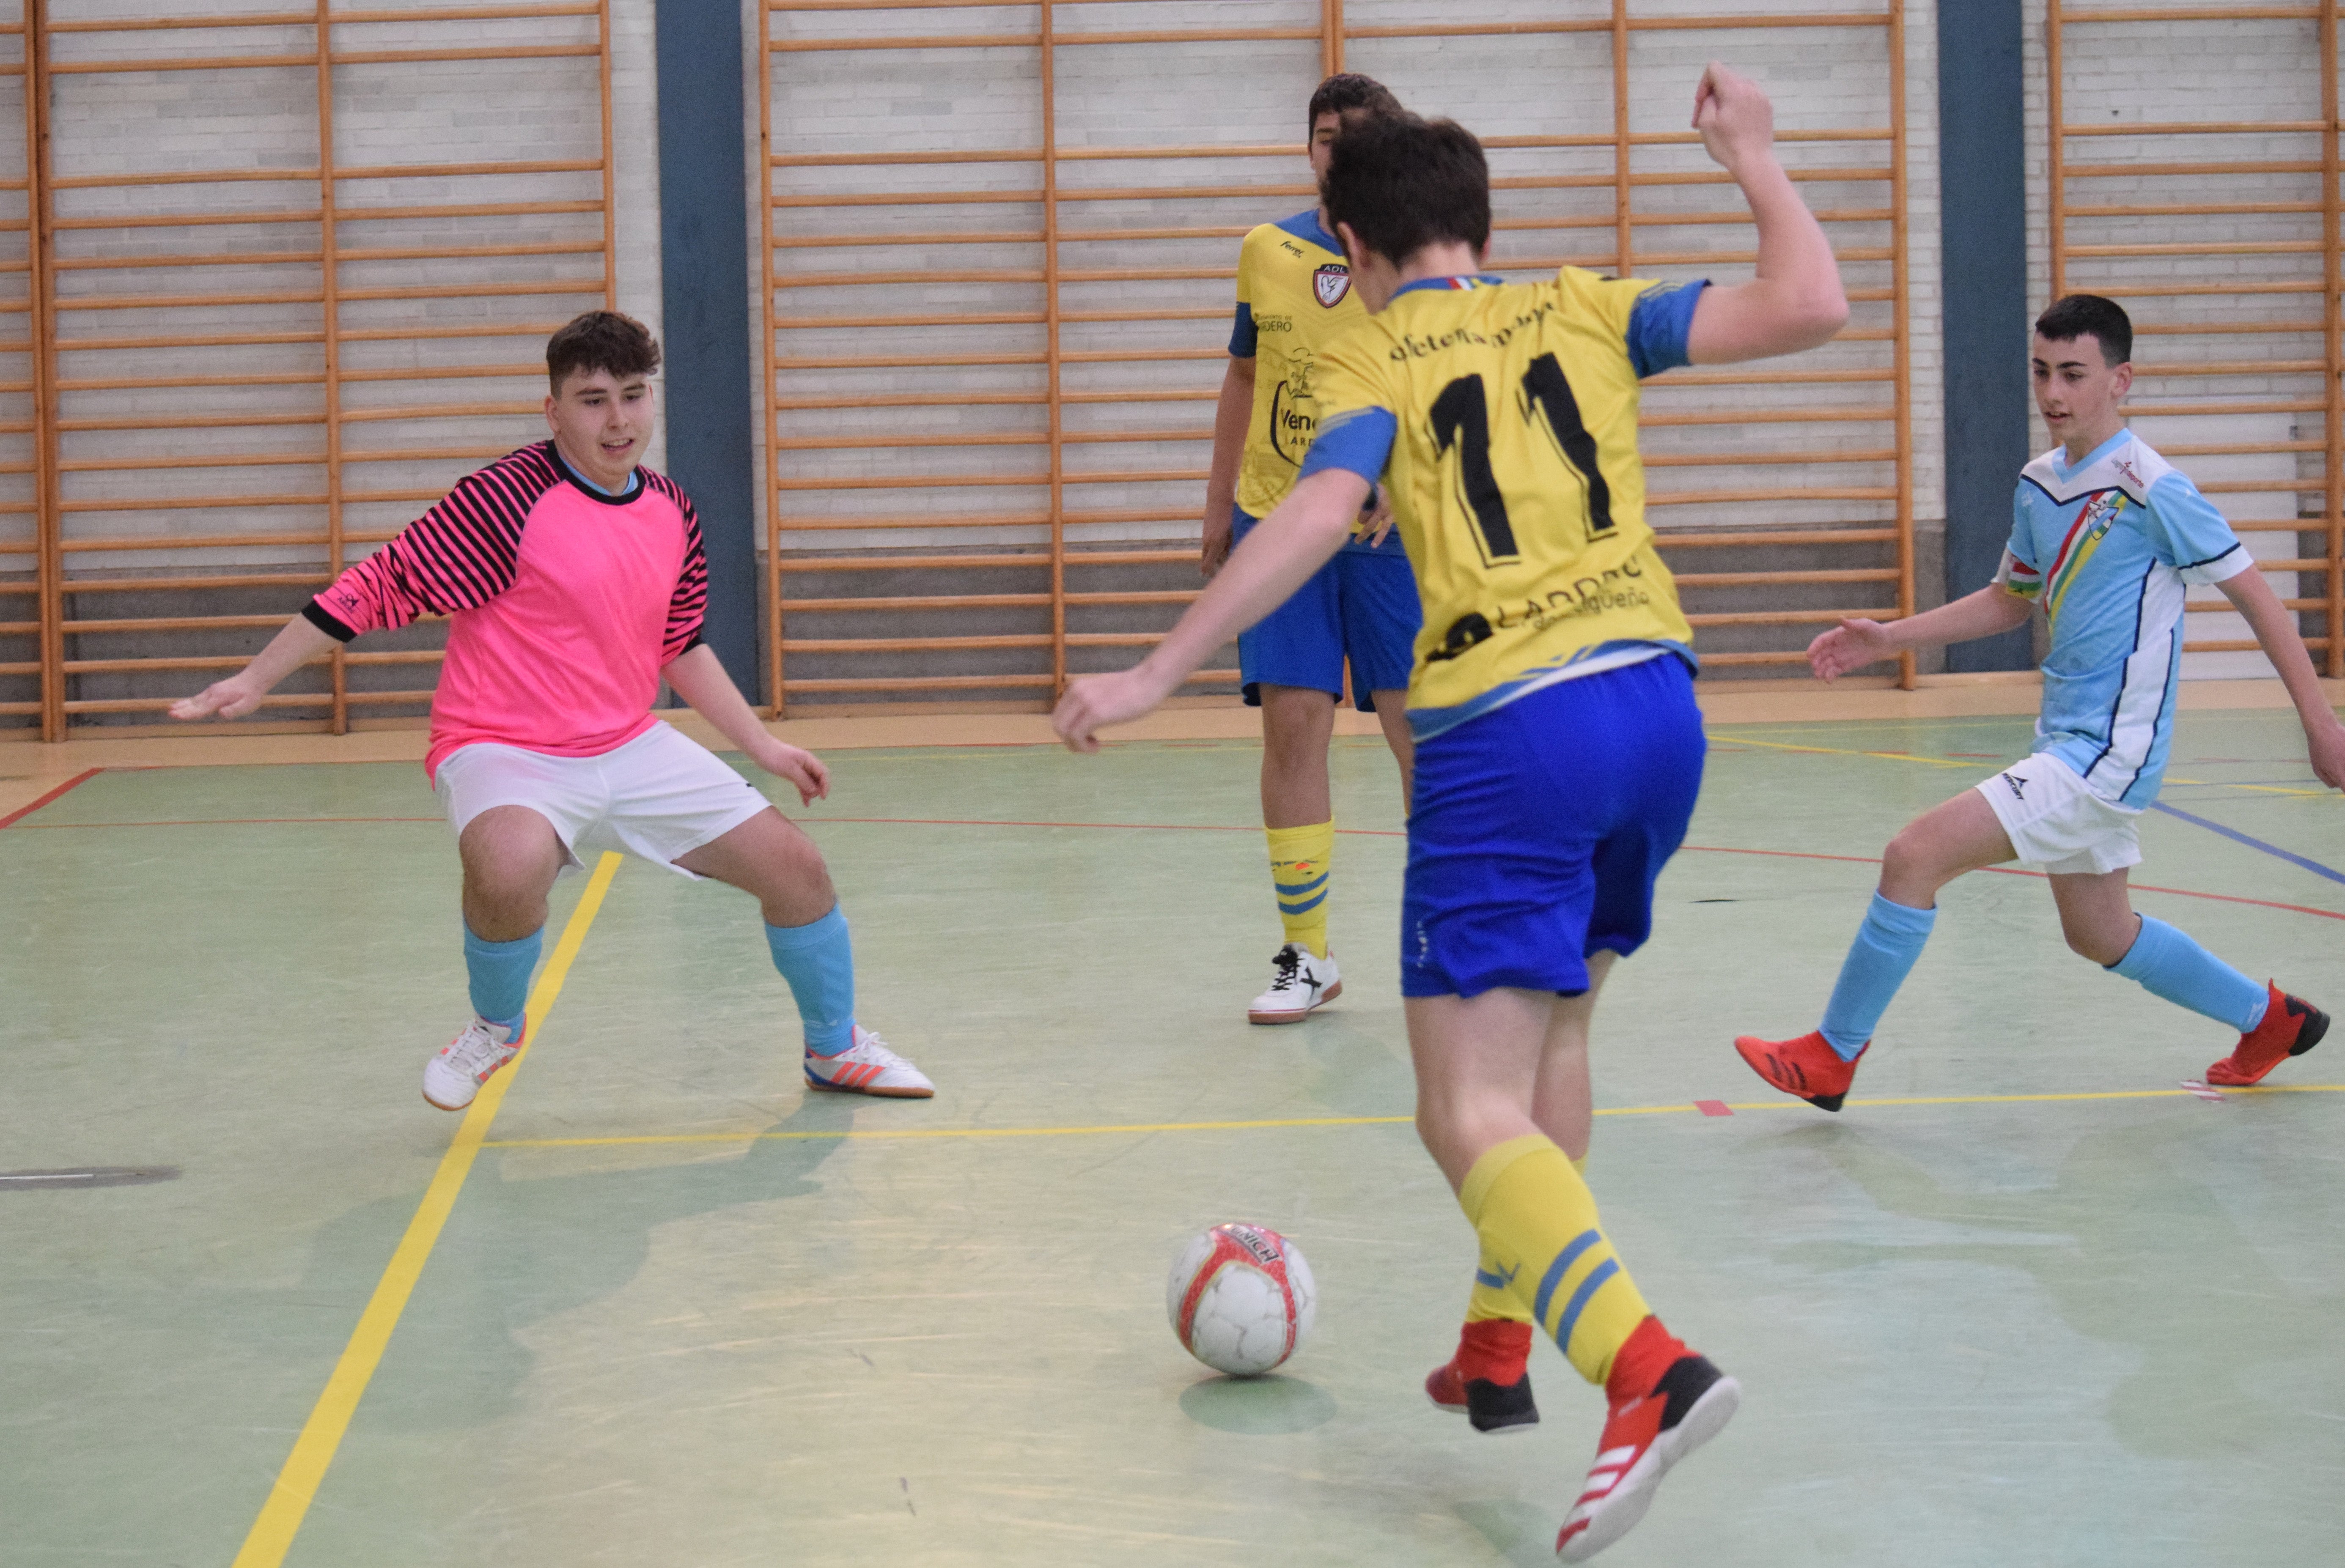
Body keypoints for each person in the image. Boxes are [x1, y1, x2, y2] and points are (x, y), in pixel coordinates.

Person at [1054, 68, 1847, 1561]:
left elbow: (1302, 515)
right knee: (1553, 1036)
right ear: (1481, 225)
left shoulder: (1372, 358)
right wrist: (1752, 154)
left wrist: (1161, 662)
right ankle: (1499, 1334)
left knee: (1457, 1102)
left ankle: (1643, 1369)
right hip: (1659, 709)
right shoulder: (1591, 305)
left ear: (1349, 245)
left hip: (1509, 730)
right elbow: (1811, 302)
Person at [170, 311, 933, 1109]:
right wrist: (257, 678)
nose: (618, 421)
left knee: (799, 871)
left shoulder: (672, 510)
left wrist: (763, 746)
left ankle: (835, 1050)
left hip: (628, 742)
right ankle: (496, 1027)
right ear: (554, 410)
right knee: (507, 868)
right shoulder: (506, 499)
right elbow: (379, 583)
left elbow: (678, 645)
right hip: (502, 744)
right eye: (594, 400)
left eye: (633, 398)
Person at [1736, 294, 2343, 1110]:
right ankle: (2270, 1021)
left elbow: (2259, 600)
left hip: (2106, 754)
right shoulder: (2039, 483)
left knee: (1914, 855)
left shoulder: (2153, 488)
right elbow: (2011, 599)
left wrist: (2321, 724)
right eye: (2041, 372)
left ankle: (1833, 1057)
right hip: (2065, 737)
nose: (2053, 392)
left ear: (2120, 381)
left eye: (2073, 374)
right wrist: (1890, 637)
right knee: (2100, 934)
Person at [1201, 72, 1421, 1025]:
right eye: (1325, 135)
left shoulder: (1418, 258)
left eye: (1358, 136)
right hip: (1278, 521)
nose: (1339, 151)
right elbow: (1245, 376)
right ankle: (1309, 954)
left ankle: (1444, 931)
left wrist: (1403, 481)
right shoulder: (1268, 249)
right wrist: (1217, 507)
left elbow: (1445, 384)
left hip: (1391, 533)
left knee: (1424, 733)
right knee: (1294, 723)